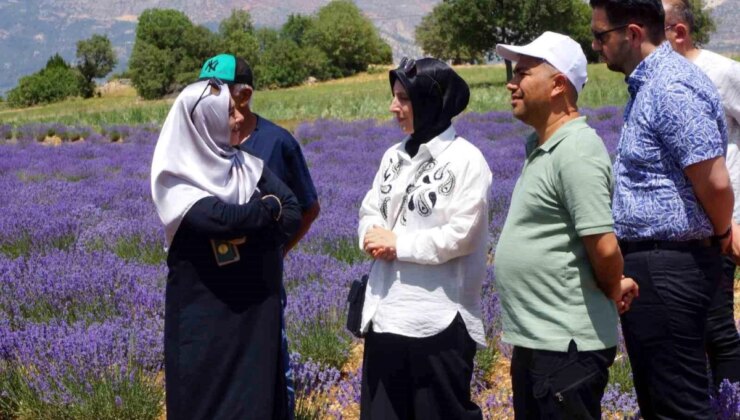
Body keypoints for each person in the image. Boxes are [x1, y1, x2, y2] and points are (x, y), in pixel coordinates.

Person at [589, 0, 734, 417]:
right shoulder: (650, 84)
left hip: (669, 266)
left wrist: (722, 234)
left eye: (601, 36)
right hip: (657, 264)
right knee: (660, 402)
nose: (596, 46)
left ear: (632, 34)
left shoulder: (670, 85)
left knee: (678, 406)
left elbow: (716, 182)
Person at [493, 31, 639, 420]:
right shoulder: (543, 147)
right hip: (540, 342)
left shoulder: (577, 149)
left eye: (523, 72)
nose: (512, 82)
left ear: (558, 84)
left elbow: (604, 246)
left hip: (566, 347)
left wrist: (613, 284)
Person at [151, 78, 301, 419]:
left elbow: (291, 210)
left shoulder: (248, 165)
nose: (238, 119)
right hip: (205, 324)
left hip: (254, 316)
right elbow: (219, 218)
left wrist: (247, 229)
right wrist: (266, 211)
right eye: (229, 113)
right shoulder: (176, 179)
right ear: (203, 122)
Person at [356, 57, 491, 420]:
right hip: (384, 316)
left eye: (403, 98)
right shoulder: (393, 156)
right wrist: (370, 235)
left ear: (430, 102)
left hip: (437, 323)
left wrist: (398, 245)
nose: (393, 107)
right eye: (394, 97)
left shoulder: (467, 160)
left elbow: (463, 234)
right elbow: (370, 209)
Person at [199, 54, 320, 417]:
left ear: (245, 94)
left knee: (272, 360)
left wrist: (279, 252)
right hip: (213, 283)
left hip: (263, 280)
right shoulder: (204, 142)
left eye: (217, 90)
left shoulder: (277, 143)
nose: (208, 97)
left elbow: (308, 208)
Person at [663, 0, 740, 389]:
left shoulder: (722, 72)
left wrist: (738, 215)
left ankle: (731, 405)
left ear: (679, 32)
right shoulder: (653, 78)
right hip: (679, 228)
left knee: (717, 327)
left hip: (722, 223)